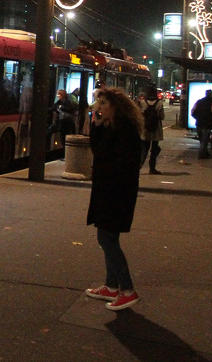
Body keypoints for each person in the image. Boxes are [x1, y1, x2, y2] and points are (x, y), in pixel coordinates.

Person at [84, 87, 143, 311]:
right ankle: (111, 285)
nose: (99, 107)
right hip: (109, 190)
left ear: (115, 107)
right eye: (98, 103)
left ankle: (127, 290)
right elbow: (98, 150)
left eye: (103, 104)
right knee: (107, 237)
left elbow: (118, 161)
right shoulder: (111, 126)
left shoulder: (125, 129)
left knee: (107, 239)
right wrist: (96, 126)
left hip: (116, 192)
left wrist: (110, 178)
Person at [139, 85, 164, 174]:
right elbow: (162, 117)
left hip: (145, 130)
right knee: (154, 150)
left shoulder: (142, 102)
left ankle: (138, 166)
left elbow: (139, 115)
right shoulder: (159, 103)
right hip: (156, 130)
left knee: (144, 150)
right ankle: (152, 168)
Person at [47, 89, 77, 156]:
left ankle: (65, 153)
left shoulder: (68, 102)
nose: (58, 96)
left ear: (62, 95)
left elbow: (70, 110)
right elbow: (53, 108)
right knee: (49, 132)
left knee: (64, 138)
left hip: (66, 123)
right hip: (60, 122)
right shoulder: (59, 102)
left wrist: (61, 108)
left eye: (59, 94)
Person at [191, 90, 212, 159]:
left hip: (199, 123)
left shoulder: (199, 101)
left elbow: (192, 111)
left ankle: (205, 152)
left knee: (202, 139)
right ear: (211, 94)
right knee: (205, 140)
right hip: (207, 124)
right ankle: (202, 154)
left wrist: (197, 118)